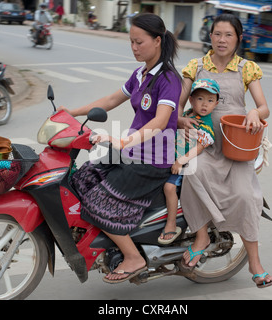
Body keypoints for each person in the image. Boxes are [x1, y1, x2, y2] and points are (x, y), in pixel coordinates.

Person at [59, 13, 181, 284]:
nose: (134, 48)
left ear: (157, 41)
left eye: (139, 42)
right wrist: (73, 112)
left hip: (153, 160)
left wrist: (124, 141)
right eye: (131, 42)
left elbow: (161, 121)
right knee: (81, 180)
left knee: (95, 203)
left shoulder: (169, 79)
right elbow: (113, 98)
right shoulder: (140, 74)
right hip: (131, 152)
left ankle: (133, 257)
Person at [178, 13, 272, 288]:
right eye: (217, 34)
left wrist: (254, 112)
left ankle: (254, 262)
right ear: (210, 37)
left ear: (238, 39)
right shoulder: (195, 67)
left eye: (228, 35)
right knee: (190, 174)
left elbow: (264, 106)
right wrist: (181, 119)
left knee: (246, 196)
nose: (222, 40)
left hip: (236, 149)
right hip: (203, 146)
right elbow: (178, 104)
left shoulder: (247, 68)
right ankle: (201, 236)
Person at [158, 78, 219, 245]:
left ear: (216, 103)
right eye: (200, 99)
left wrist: (180, 161)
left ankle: (171, 223)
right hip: (172, 157)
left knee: (169, 187)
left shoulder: (205, 125)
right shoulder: (187, 115)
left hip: (186, 164)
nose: (204, 104)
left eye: (210, 100)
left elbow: (199, 148)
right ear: (191, 100)